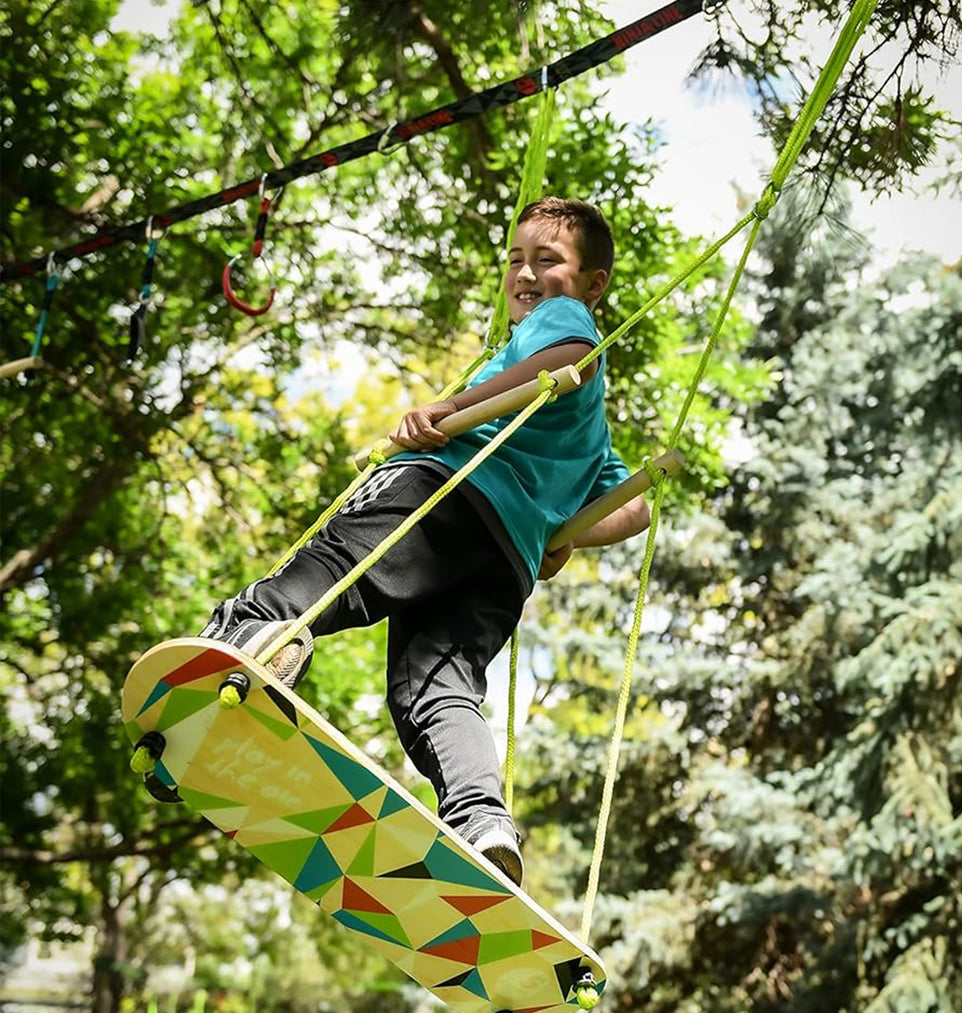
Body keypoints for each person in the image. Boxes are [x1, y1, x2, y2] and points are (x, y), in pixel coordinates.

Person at [200, 196, 650, 887]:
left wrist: (453, 410)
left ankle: (240, 648)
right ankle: (481, 821)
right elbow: (634, 506)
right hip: (504, 562)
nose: (526, 276)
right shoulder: (591, 430)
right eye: (516, 262)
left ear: (592, 284)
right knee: (437, 690)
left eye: (548, 261)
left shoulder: (563, 323)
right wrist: (564, 537)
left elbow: (570, 356)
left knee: (329, 572)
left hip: (440, 495)